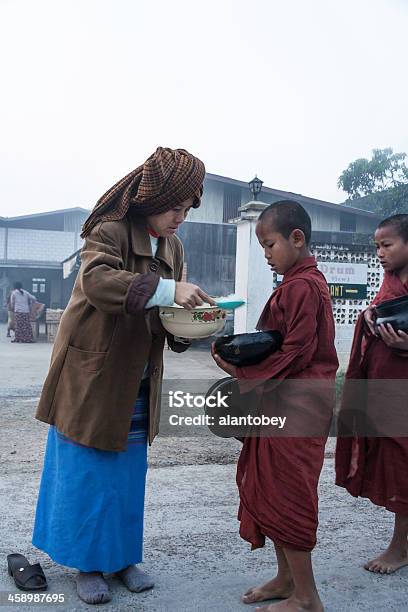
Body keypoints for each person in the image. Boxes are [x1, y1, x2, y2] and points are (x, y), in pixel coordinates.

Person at [32, 147, 215, 605]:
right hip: (92, 373)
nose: (180, 218)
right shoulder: (108, 230)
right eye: (176, 206)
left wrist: (192, 324)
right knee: (88, 470)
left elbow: (165, 310)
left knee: (129, 473)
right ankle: (86, 564)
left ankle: (121, 558)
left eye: (188, 209)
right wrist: (170, 289)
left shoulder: (172, 246)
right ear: (153, 196)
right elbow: (95, 281)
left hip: (137, 375)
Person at [212, 200, 338, 612]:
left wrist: (242, 372)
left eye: (269, 245)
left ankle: (307, 597)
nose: (266, 254)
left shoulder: (304, 286)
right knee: (269, 486)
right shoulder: (296, 282)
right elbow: (279, 343)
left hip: (298, 406)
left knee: (289, 494)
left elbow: (298, 351)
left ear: (296, 239)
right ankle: (286, 580)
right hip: (283, 402)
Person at [335, 214, 408, 574]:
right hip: (386, 388)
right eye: (376, 246)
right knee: (395, 464)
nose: (379, 253)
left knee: (403, 465)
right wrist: (369, 317)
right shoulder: (391, 278)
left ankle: (399, 547)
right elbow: (383, 312)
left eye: (387, 245)